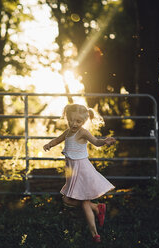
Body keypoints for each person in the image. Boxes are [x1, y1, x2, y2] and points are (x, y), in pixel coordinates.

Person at [43, 104, 116, 243]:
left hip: (82, 170)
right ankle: (97, 209)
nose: (74, 123)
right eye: (71, 120)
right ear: (67, 118)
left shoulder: (83, 132)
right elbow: (57, 140)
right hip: (72, 171)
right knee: (75, 201)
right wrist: (49, 145)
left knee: (79, 201)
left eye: (78, 121)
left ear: (83, 122)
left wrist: (104, 141)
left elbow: (96, 141)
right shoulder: (68, 132)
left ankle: (95, 234)